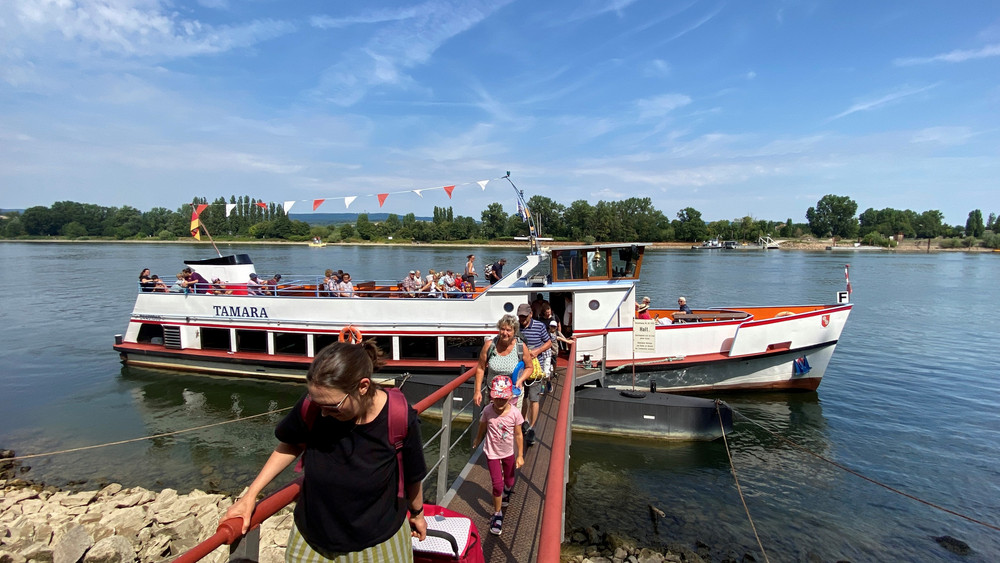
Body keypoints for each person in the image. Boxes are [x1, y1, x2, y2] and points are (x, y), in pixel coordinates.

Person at [221, 341, 428, 560]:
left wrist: (417, 514)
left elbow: (413, 475)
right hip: (312, 539)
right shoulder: (315, 405)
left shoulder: (399, 417)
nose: (323, 414)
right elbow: (291, 444)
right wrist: (250, 495)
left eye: (332, 407)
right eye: (317, 403)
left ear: (363, 386)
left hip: (376, 542)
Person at [472, 375, 524, 537]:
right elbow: (482, 425)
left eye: (503, 399)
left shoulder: (514, 413)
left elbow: (518, 435)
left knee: (509, 481)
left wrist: (520, 455)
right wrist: (478, 438)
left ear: (510, 397)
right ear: (491, 396)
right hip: (492, 452)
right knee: (497, 484)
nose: (500, 403)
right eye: (497, 399)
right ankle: (497, 514)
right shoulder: (488, 410)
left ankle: (507, 491)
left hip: (508, 451)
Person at [473, 315, 532, 408]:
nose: (505, 333)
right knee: (491, 421)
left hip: (513, 394)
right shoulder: (490, 345)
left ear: (514, 332)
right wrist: (477, 391)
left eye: (508, 330)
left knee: (512, 421)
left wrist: (520, 380)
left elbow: (529, 367)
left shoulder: (520, 346)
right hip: (492, 395)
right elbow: (480, 368)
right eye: (502, 329)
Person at [516, 303, 551, 446]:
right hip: (519, 368)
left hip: (536, 368)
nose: (522, 319)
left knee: (534, 398)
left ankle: (532, 427)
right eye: (520, 317)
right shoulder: (516, 327)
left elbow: (548, 342)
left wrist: (537, 351)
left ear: (530, 314)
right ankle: (524, 421)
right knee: (522, 397)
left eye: (524, 316)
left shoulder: (539, 326)